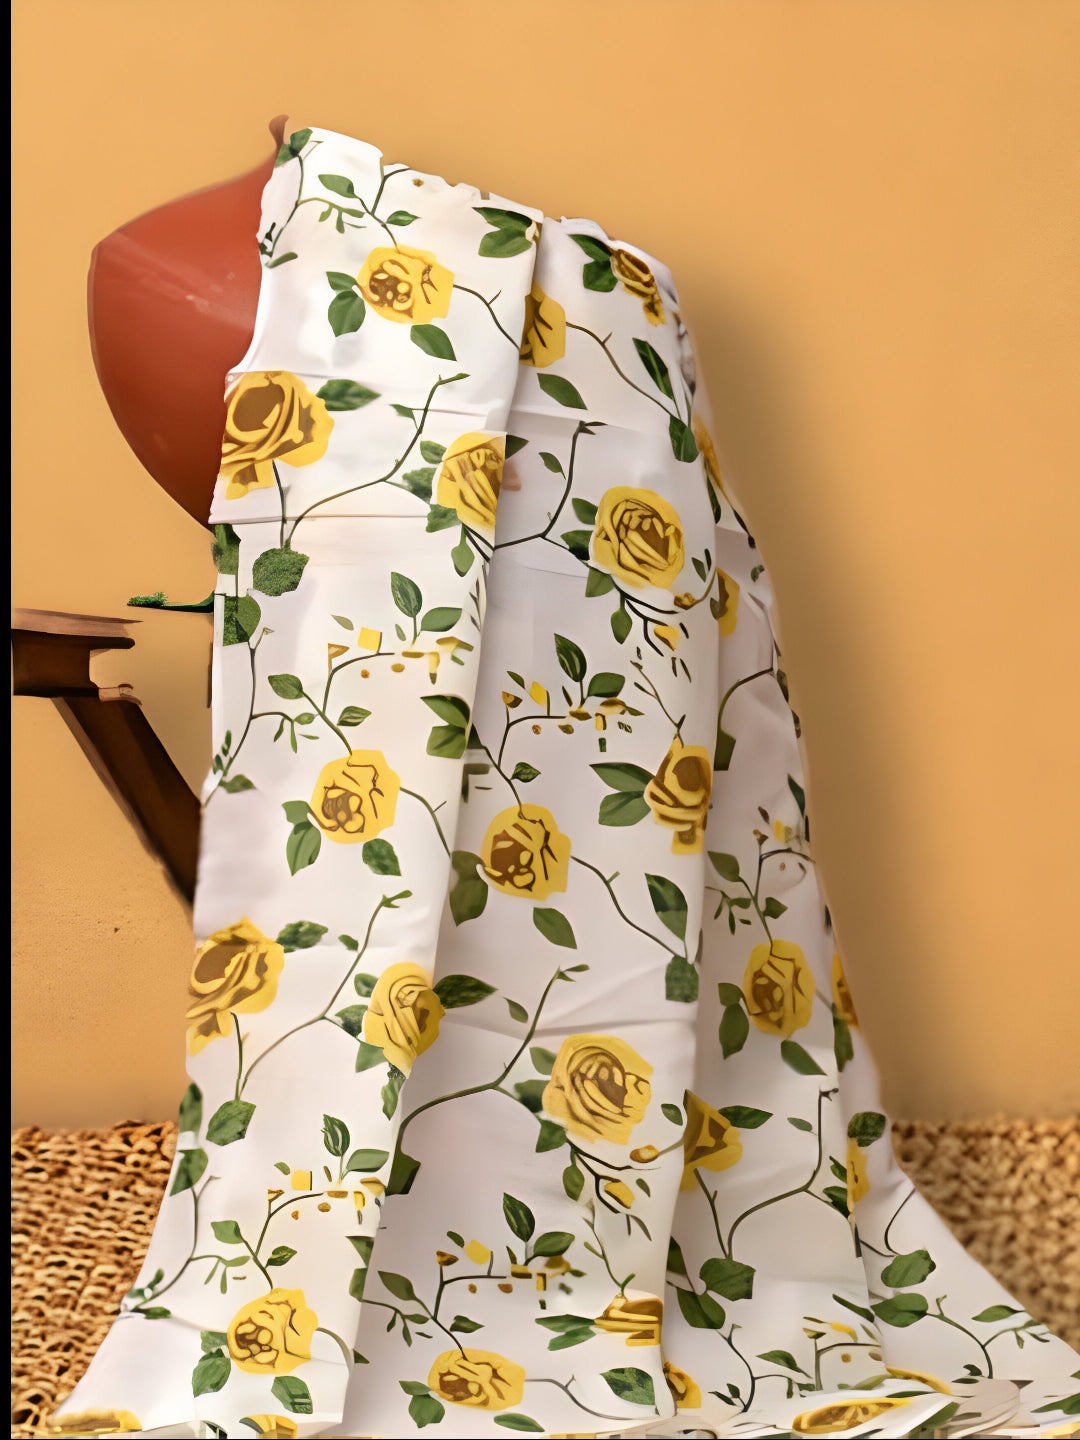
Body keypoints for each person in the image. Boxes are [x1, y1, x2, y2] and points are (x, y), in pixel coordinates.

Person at [46, 119, 1080, 1440]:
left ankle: (586, 1269)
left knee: (617, 908)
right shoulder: (166, 269)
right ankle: (458, 1275)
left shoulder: (529, 286)